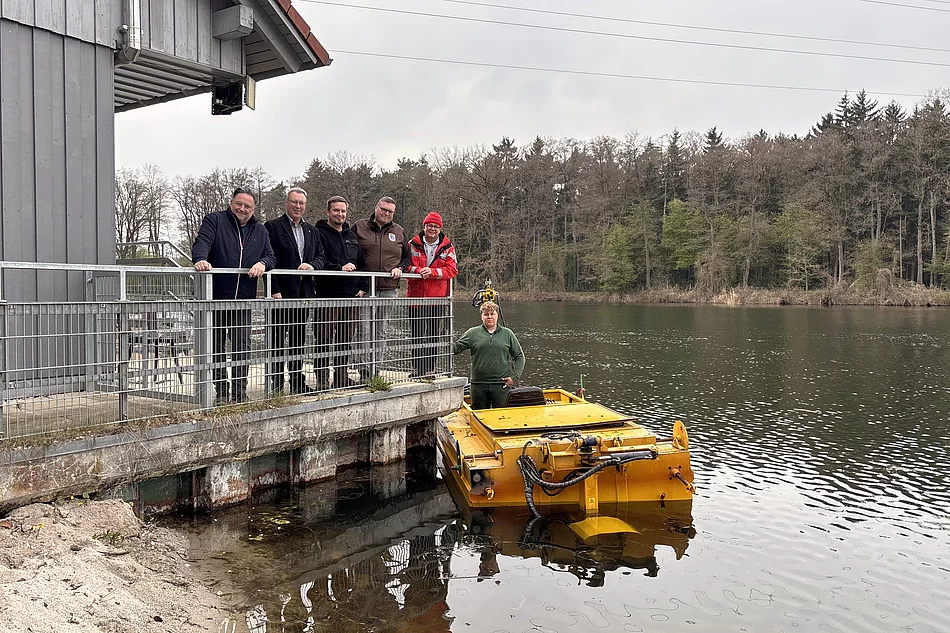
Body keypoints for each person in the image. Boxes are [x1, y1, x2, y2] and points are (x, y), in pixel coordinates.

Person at [192, 187, 275, 404]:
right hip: (217, 297)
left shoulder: (260, 230)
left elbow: (270, 256)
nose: (242, 209)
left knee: (242, 347)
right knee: (217, 347)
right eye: (239, 204)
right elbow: (202, 242)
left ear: (253, 209)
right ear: (231, 203)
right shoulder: (215, 221)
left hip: (244, 299)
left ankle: (239, 394)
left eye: (247, 206)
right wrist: (200, 259)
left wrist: (262, 263)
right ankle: (221, 392)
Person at [264, 187, 326, 395]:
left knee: (298, 340)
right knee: (277, 341)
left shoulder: (311, 230)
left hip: (303, 292)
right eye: (294, 202)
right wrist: (273, 288)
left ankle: (298, 383)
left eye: (301, 203)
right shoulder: (272, 227)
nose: (298, 206)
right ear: (287, 203)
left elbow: (321, 256)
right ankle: (276, 384)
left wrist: (312, 266)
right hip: (280, 294)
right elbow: (267, 258)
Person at [353, 196, 411, 378]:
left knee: (381, 330)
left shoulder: (399, 231)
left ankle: (375, 369)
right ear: (376, 207)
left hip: (388, 288)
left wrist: (400, 268)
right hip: (364, 288)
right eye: (383, 209)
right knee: (363, 329)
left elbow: (407, 258)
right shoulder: (359, 226)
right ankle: (363, 370)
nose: (386, 214)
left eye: (390, 211)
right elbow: (349, 251)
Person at [314, 196, 368, 389]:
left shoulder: (351, 236)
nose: (340, 214)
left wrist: (363, 287)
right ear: (327, 212)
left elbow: (362, 263)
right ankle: (321, 378)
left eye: (343, 211)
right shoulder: (318, 233)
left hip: (350, 296)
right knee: (323, 338)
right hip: (327, 294)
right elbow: (317, 261)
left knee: (346, 339)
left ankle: (341, 377)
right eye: (336, 210)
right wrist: (339, 268)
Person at [406, 212, 457, 377]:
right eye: (429, 226)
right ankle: (417, 369)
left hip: (437, 299)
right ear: (424, 227)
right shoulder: (412, 245)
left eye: (435, 226)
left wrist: (433, 272)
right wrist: (419, 270)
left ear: (440, 228)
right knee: (417, 334)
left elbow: (452, 270)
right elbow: (405, 266)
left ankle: (429, 369)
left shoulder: (448, 247)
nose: (432, 229)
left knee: (433, 335)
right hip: (416, 298)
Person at [453, 301, 525, 410]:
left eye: (492, 314)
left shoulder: (507, 334)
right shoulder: (472, 333)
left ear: (497, 316)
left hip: (501, 386)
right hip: (478, 385)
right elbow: (455, 349)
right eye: (486, 314)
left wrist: (514, 377)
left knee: (502, 417)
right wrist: (443, 340)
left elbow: (520, 357)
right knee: (479, 417)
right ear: (481, 316)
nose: (489, 317)